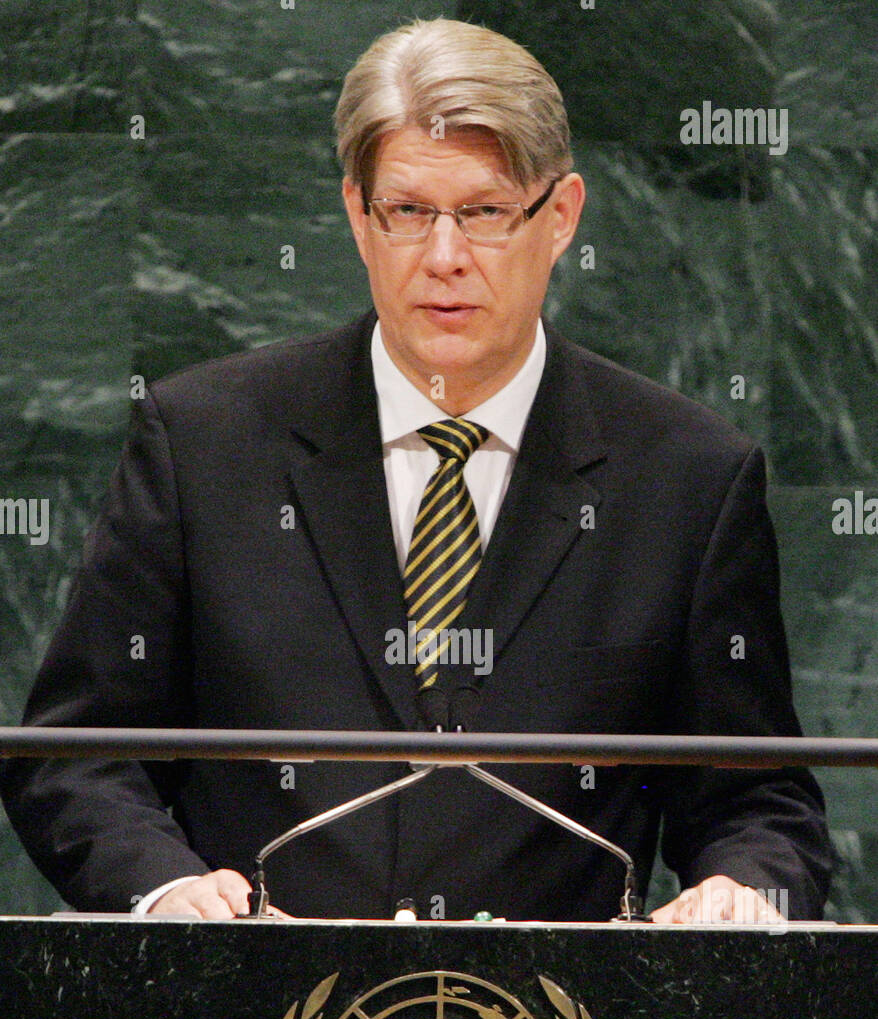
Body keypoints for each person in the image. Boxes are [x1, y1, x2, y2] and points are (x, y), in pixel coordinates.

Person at [0, 18, 832, 924]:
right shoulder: (202, 444)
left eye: (483, 213)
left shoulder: (689, 479)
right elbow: (74, 754)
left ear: (560, 217)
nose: (444, 258)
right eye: (408, 211)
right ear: (358, 215)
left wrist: (739, 894)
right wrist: (167, 894)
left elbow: (758, 806)